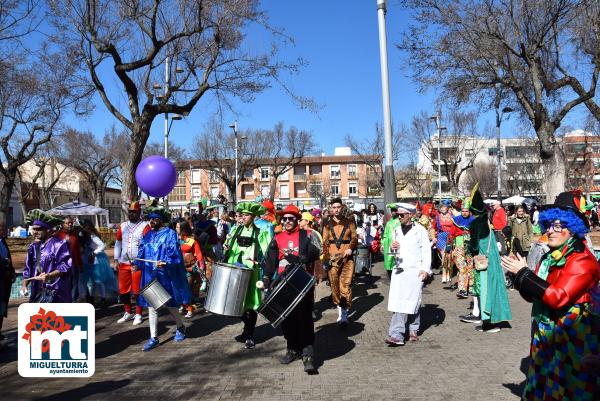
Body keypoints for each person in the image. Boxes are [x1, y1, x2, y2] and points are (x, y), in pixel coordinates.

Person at [501, 191, 600, 400]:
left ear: (572, 229)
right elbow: (535, 297)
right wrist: (519, 277)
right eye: (549, 225)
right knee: (543, 387)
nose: (551, 232)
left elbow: (557, 297)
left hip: (573, 341)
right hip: (546, 338)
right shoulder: (549, 258)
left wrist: (524, 274)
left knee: (571, 391)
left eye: (558, 226)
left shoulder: (582, 261)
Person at [263, 204, 321, 374]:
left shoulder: (308, 234)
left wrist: (301, 258)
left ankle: (308, 354)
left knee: (304, 318)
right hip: (283, 284)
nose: (287, 221)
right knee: (286, 319)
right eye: (284, 219)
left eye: (291, 218)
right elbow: (271, 260)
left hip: (303, 283)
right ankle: (292, 349)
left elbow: (316, 252)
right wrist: (267, 277)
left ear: (296, 220)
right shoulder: (277, 237)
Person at [135, 205, 192, 351]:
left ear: (161, 220)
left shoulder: (170, 234)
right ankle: (153, 337)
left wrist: (166, 262)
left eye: (154, 219)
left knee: (170, 305)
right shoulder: (147, 235)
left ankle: (180, 326)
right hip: (150, 274)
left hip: (165, 275)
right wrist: (137, 263)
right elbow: (142, 250)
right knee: (152, 306)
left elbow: (175, 255)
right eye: (150, 220)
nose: (151, 222)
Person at [460, 185, 512, 332]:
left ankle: (489, 324)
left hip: (484, 263)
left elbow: (475, 246)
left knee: (485, 290)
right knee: (493, 289)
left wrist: (468, 246)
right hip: (493, 261)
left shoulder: (476, 223)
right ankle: (492, 322)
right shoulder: (486, 221)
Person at [223, 202, 272, 349]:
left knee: (250, 304)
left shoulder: (261, 232)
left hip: (251, 273)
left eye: (246, 215)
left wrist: (261, 261)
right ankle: (247, 328)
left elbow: (268, 252)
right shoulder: (236, 230)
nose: (242, 217)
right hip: (235, 271)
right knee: (235, 302)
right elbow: (228, 246)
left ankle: (249, 334)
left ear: (253, 217)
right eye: (242, 215)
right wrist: (227, 245)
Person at [385, 203, 431, 346]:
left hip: (415, 270)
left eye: (402, 215)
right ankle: (397, 334)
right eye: (397, 215)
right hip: (399, 270)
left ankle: (413, 329)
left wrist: (425, 269)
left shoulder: (420, 230)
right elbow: (391, 252)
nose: (399, 217)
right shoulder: (396, 230)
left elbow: (426, 251)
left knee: (414, 300)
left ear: (410, 215)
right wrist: (392, 249)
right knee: (398, 302)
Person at [21, 210, 72, 303]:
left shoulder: (59, 244)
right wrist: (24, 284)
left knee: (57, 317)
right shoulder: (33, 247)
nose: (35, 232)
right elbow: (28, 269)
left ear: (48, 229)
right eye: (34, 229)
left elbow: (65, 265)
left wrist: (50, 275)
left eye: (39, 229)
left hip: (56, 292)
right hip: (37, 292)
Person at [322, 197, 358, 328]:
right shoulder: (326, 224)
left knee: (346, 285)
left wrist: (350, 248)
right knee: (334, 285)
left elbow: (354, 238)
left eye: (339, 207)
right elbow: (325, 243)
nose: (336, 209)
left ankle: (344, 315)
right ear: (331, 209)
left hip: (347, 258)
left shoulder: (349, 222)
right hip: (332, 259)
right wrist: (326, 258)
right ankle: (339, 307)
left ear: (342, 208)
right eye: (334, 207)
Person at [114, 201, 150, 325]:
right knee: (123, 290)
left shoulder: (145, 226)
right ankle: (128, 312)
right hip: (123, 262)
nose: (132, 214)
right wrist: (115, 258)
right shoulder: (123, 226)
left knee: (137, 290)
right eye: (130, 212)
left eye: (134, 212)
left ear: (139, 213)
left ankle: (139, 314)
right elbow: (118, 243)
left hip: (137, 263)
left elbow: (149, 245)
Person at [81, 220, 118, 306]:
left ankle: (103, 298)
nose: (85, 229)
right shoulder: (85, 237)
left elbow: (102, 245)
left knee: (98, 280)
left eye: (86, 227)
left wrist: (94, 252)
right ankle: (93, 297)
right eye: (84, 227)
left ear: (90, 228)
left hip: (96, 260)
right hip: (88, 259)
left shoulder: (93, 236)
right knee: (91, 281)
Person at [177, 221, 205, 317]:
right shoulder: (176, 240)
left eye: (178, 227)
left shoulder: (193, 241)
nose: (176, 229)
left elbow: (199, 254)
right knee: (180, 289)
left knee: (187, 289)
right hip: (179, 268)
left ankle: (190, 309)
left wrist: (201, 267)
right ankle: (183, 305)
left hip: (190, 269)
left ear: (183, 229)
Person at [54, 216, 84, 301]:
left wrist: (80, 264)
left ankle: (72, 304)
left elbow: (77, 251)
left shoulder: (74, 236)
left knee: (74, 286)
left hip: (74, 265)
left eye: (71, 223)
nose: (70, 225)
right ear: (62, 224)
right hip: (62, 267)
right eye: (67, 223)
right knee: (63, 286)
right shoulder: (57, 236)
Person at [449, 203, 474, 299]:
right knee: (461, 267)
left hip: (470, 247)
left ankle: (471, 287)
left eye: (466, 211)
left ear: (469, 212)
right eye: (463, 211)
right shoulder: (456, 220)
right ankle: (462, 289)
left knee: (470, 267)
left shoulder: (473, 221)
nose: (464, 213)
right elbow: (451, 234)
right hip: (459, 246)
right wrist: (449, 245)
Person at [0, 219, 15, 340]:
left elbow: (8, 259)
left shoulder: (3, 242)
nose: (4, 230)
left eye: (4, 228)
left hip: (5, 281)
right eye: (2, 228)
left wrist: (12, 271)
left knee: (2, 308)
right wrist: (4, 262)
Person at [435, 200, 454, 284]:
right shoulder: (437, 216)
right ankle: (444, 274)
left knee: (449, 255)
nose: (443, 209)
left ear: (447, 208)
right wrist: (433, 237)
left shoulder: (452, 215)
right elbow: (433, 227)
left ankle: (449, 274)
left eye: (444, 207)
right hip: (441, 236)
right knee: (443, 255)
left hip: (449, 236)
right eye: (441, 207)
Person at [381, 204, 401, 279]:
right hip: (388, 245)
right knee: (389, 262)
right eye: (392, 210)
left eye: (395, 210)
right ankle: (391, 278)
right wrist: (382, 244)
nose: (393, 212)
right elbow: (385, 234)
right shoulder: (389, 223)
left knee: (397, 261)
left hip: (397, 245)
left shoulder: (400, 221)